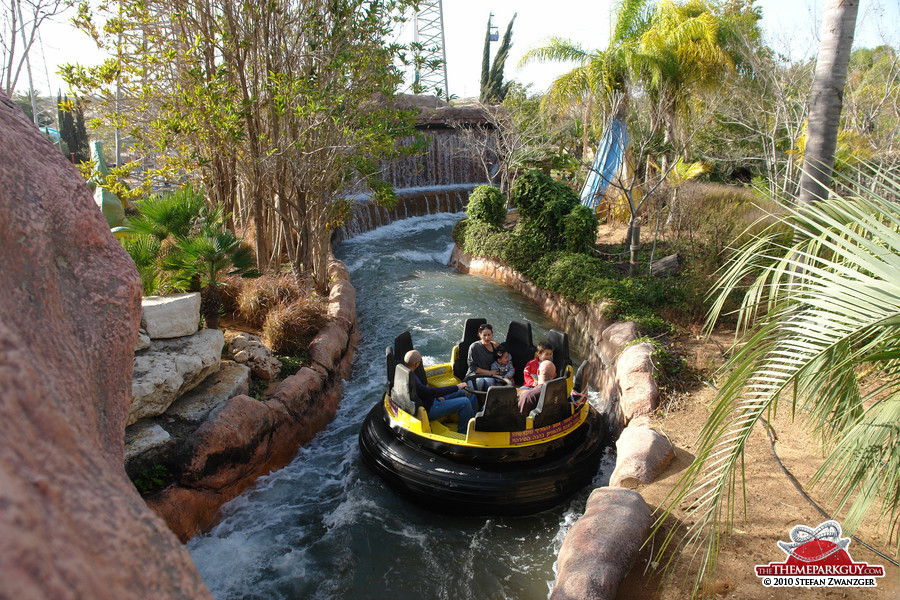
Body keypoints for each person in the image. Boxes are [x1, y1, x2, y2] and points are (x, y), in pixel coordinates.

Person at [404, 350, 475, 433]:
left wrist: (437, 395)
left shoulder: (405, 372)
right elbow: (429, 392)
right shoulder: (414, 380)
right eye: (420, 360)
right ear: (416, 364)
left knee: (462, 392)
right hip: (430, 408)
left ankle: (469, 419)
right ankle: (464, 431)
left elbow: (428, 392)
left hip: (430, 400)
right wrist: (457, 386)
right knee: (465, 402)